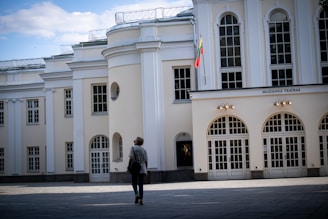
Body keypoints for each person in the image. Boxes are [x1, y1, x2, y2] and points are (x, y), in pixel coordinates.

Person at [128, 137, 148, 205]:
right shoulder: (144, 150)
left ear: (136, 142)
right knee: (141, 184)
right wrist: (146, 169)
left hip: (135, 168)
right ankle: (141, 200)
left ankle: (136, 194)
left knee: (134, 182)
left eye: (135, 140)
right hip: (142, 168)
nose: (134, 141)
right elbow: (146, 161)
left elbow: (131, 158)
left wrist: (129, 165)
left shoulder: (133, 148)